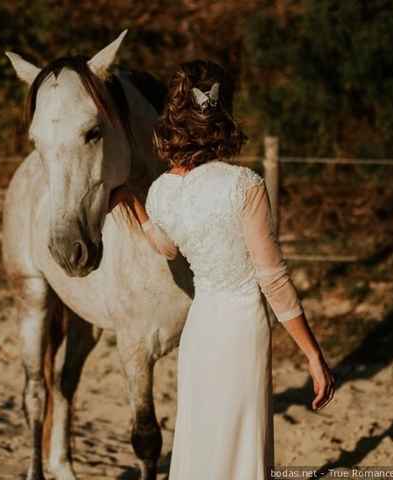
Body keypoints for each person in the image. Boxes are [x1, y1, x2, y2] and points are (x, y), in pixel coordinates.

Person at [109, 60, 335, 479]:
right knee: (239, 449)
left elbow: (168, 248)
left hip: (200, 331)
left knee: (204, 445)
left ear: (173, 118)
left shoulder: (162, 190)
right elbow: (273, 277)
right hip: (241, 330)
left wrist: (136, 206)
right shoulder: (244, 185)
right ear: (222, 117)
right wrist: (312, 353)